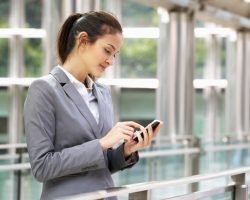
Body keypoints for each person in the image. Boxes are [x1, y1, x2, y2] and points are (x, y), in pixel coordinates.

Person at [23, 11, 162, 200]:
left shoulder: (103, 93)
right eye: (107, 50)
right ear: (82, 41)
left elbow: (101, 164)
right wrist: (102, 143)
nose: (111, 61)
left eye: (115, 55)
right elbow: (42, 167)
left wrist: (126, 150)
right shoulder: (44, 89)